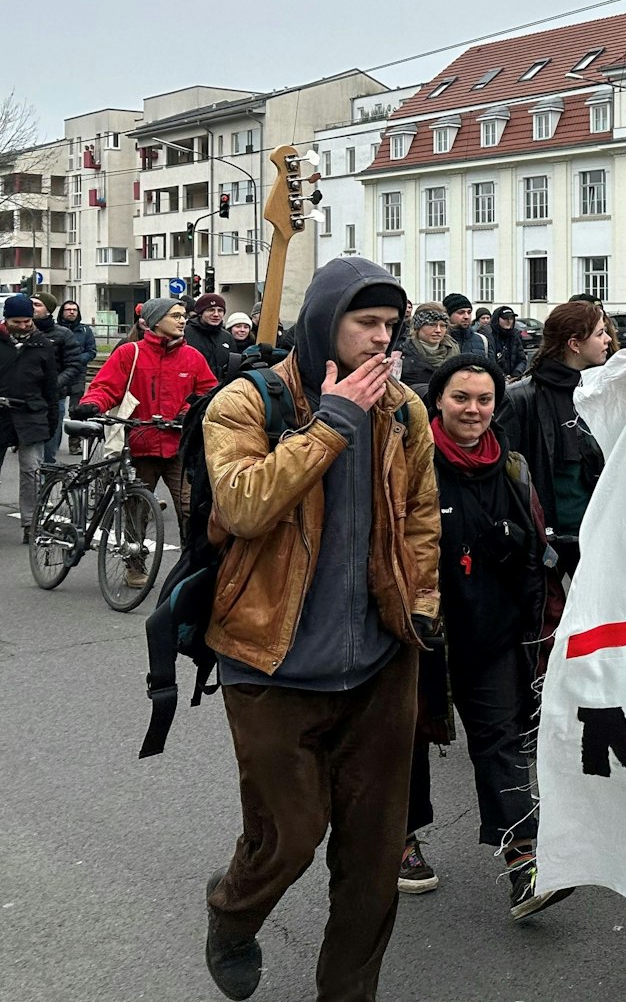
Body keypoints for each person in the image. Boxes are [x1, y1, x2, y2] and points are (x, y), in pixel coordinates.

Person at [200, 256, 441, 1002]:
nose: (381, 340)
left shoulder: (404, 410)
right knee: (289, 838)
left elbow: (423, 517)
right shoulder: (248, 400)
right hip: (269, 664)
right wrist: (331, 423)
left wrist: (421, 603)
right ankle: (233, 913)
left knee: (373, 866)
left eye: (390, 326)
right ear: (323, 322)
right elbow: (241, 506)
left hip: (378, 664)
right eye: (365, 323)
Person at [403, 353, 568, 921]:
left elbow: (535, 555)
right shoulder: (408, 460)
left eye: (483, 400)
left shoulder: (513, 468)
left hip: (494, 634)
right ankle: (401, 840)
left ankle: (525, 862)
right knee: (408, 739)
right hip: (420, 636)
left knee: (501, 741)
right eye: (460, 398)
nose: (473, 411)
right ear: (438, 402)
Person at [75, 297, 218, 538]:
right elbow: (107, 387)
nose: (182, 320)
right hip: (141, 446)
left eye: (183, 315)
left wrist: (188, 411)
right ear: (155, 322)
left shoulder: (192, 357)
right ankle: (134, 563)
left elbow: (208, 392)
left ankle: (191, 563)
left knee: (191, 509)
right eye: (175, 316)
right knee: (136, 509)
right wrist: (91, 404)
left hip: (179, 447)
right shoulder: (130, 353)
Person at [499, 301, 609, 585]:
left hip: (596, 529)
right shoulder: (521, 398)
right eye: (599, 333)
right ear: (575, 344)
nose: (608, 339)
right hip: (548, 535)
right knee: (546, 621)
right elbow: (507, 474)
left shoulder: (599, 390)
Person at [2, 293, 62, 541]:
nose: (25, 326)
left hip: (32, 413)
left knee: (32, 471)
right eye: (18, 322)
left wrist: (52, 420)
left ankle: (31, 523)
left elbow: (50, 386)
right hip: (1, 414)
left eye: (28, 321)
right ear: (6, 320)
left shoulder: (42, 344)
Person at [30, 293, 88, 463]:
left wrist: (54, 385)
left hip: (53, 398)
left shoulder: (63, 334)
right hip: (24, 399)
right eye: (31, 304)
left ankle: (46, 483)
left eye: (37, 304)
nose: (32, 308)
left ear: (49, 310)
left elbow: (73, 365)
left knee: (48, 454)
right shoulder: (21, 331)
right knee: (29, 458)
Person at [56, 299, 97, 455]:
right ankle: (53, 443)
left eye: (74, 310)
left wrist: (76, 360)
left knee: (76, 411)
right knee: (56, 410)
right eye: (68, 309)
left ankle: (74, 444)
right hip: (59, 374)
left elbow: (91, 351)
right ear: (62, 312)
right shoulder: (55, 329)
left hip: (78, 375)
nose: (71, 312)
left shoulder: (85, 331)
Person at [400, 302, 459, 396]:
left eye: (443, 325)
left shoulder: (454, 351)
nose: (438, 330)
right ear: (418, 326)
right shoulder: (402, 354)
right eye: (432, 324)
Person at [186, 293, 234, 382]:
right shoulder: (185, 334)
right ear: (200, 313)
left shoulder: (227, 337)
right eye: (211, 310)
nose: (216, 314)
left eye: (220, 310)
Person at [489, 305, 528, 377]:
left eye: (511, 318)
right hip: (495, 379)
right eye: (505, 318)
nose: (509, 321)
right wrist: (500, 375)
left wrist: (517, 372)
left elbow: (522, 360)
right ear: (497, 319)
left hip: (512, 379)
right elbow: (489, 362)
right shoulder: (489, 336)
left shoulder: (514, 336)